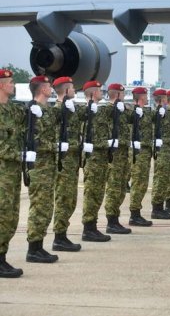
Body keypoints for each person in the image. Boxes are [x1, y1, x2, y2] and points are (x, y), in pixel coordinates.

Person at [25, 75, 59, 263]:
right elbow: (33, 139)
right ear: (41, 89)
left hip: (49, 166)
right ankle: (33, 248)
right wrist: (55, 146)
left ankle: (39, 246)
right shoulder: (31, 110)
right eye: (48, 85)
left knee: (46, 206)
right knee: (38, 205)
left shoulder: (46, 110)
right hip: (38, 166)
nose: (50, 88)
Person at [51, 76, 83, 251]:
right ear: (65, 90)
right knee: (63, 198)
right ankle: (59, 237)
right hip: (63, 162)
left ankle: (63, 234)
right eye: (72, 88)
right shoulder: (56, 111)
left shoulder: (71, 109)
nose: (74, 90)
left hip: (73, 161)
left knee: (70, 199)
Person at [0, 69, 25, 277]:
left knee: (11, 216)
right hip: (2, 172)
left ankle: (2, 257)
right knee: (1, 214)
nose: (13, 85)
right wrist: (19, 155)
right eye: (10, 82)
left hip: (12, 172)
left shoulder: (13, 110)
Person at [80, 80, 112, 242]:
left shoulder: (98, 111)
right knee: (92, 192)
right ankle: (88, 228)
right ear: (92, 92)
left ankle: (93, 226)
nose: (102, 92)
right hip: (92, 159)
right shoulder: (83, 111)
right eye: (99, 90)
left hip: (101, 158)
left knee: (98, 192)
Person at [103, 83, 133, 234]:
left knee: (121, 188)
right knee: (114, 188)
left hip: (123, 154)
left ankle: (115, 218)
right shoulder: (106, 110)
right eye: (122, 94)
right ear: (118, 94)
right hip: (113, 155)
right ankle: (111, 221)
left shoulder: (121, 109)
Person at [128, 87, 153, 226]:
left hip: (146, 151)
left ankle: (137, 212)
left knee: (143, 183)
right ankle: (134, 214)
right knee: (138, 182)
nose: (147, 97)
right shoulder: (131, 113)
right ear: (141, 97)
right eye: (145, 95)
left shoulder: (146, 112)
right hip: (137, 153)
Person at [151, 89, 170, 219]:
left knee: (164, 177)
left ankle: (160, 206)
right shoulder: (155, 113)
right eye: (165, 97)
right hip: (161, 150)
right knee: (160, 178)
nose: (168, 99)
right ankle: (156, 208)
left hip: (167, 149)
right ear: (162, 99)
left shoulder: (164, 112)